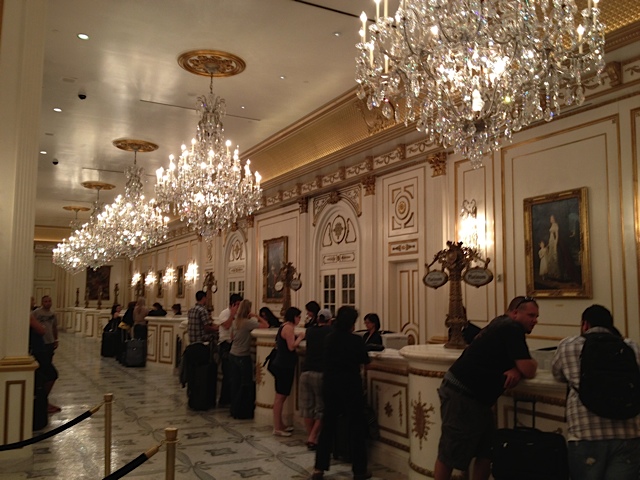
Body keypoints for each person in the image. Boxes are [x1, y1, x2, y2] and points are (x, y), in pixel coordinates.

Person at [433, 296, 539, 480]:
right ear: (515, 313)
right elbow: (528, 369)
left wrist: (517, 368)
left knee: (486, 451)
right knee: (450, 453)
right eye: (530, 315)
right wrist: (521, 367)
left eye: (536, 316)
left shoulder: (500, 322)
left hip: (475, 398)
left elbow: (519, 365)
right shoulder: (512, 328)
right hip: (463, 395)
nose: (535, 320)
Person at [552, 305, 640, 480]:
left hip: (585, 433)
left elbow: (558, 373)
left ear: (585, 324)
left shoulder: (569, 345)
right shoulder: (631, 346)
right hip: (628, 432)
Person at [312, 306, 370, 480]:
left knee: (327, 427)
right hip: (350, 387)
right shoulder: (356, 340)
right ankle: (359, 471)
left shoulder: (330, 338)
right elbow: (365, 360)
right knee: (356, 427)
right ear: (352, 323)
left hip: (330, 386)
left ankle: (318, 469)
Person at [299, 308, 333, 450]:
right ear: (329, 320)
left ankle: (311, 437)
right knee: (321, 407)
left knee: (307, 407)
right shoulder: (330, 332)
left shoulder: (310, 331)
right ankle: (313, 437)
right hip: (320, 373)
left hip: (306, 372)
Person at [229, 299, 268, 419]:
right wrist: (257, 316)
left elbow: (231, 337)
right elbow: (266, 325)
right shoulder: (247, 322)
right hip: (242, 356)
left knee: (235, 384)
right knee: (245, 384)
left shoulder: (235, 322)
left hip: (233, 354)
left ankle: (234, 409)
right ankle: (242, 410)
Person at [272, 306, 305, 435]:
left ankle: (280, 424)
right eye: (298, 317)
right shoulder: (289, 328)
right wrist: (300, 337)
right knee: (280, 397)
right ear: (294, 317)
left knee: (280, 396)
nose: (299, 319)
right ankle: (278, 427)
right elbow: (291, 347)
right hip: (284, 366)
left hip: (281, 365)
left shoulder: (284, 326)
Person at [32, 295, 61, 413]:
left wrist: (56, 339)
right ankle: (41, 400)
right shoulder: (35, 313)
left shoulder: (53, 314)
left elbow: (54, 327)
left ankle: (42, 399)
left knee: (48, 367)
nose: (47, 303)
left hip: (49, 343)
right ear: (42, 302)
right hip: (39, 345)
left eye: (49, 301)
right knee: (47, 372)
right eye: (45, 301)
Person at [214, 293, 243, 406]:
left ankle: (230, 399)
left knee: (233, 373)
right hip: (225, 345)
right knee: (228, 373)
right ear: (232, 304)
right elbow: (226, 326)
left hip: (233, 345)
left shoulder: (238, 315)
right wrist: (232, 314)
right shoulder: (225, 313)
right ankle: (223, 400)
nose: (239, 307)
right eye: (238, 305)